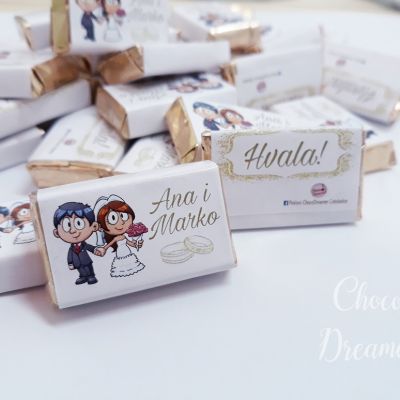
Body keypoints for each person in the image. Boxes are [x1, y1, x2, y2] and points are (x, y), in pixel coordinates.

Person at [53, 202, 105, 285]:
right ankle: (83, 277)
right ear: (57, 233)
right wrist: (70, 263)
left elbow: (89, 247)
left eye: (79, 223)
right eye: (67, 225)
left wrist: (95, 250)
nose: (73, 230)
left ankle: (91, 276)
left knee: (88, 268)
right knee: (81, 270)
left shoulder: (84, 245)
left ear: (94, 226)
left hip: (86, 260)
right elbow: (70, 256)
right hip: (77, 262)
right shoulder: (71, 249)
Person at [95, 195, 145, 278]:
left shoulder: (124, 237)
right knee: (123, 268)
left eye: (123, 216)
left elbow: (131, 243)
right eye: (113, 219)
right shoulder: (116, 238)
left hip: (128, 252)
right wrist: (103, 249)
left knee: (131, 267)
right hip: (121, 254)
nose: (121, 222)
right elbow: (109, 244)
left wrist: (137, 244)